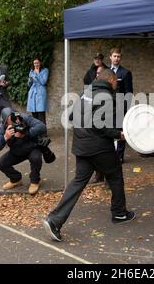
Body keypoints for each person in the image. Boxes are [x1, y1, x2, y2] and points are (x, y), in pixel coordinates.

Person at [43, 68, 135, 242]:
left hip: (81, 146)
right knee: (115, 175)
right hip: (99, 147)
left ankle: (54, 220)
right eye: (116, 82)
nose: (117, 85)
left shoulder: (85, 93)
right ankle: (119, 213)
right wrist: (119, 134)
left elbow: (70, 117)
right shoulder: (107, 97)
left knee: (78, 182)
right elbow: (99, 124)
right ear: (111, 80)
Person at [0, 108, 52, 195]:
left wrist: (25, 134)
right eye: (11, 120)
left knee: (36, 157)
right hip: (17, 151)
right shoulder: (2, 127)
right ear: (5, 121)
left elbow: (42, 126)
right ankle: (16, 179)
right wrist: (5, 138)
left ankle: (35, 181)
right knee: (0, 163)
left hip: (31, 148)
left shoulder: (24, 117)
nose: (15, 121)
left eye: (15, 117)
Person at [110, 48, 133, 163]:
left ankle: (119, 156)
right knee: (108, 131)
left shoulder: (125, 73)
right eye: (114, 56)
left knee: (120, 132)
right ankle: (110, 154)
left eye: (118, 56)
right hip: (106, 107)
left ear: (121, 58)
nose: (116, 58)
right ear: (110, 57)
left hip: (120, 108)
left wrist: (125, 110)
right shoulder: (105, 71)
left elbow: (129, 93)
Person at [27, 58, 49, 125]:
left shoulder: (45, 70)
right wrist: (30, 81)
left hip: (41, 92)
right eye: (34, 63)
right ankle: (36, 132)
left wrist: (36, 74)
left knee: (41, 113)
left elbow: (43, 82)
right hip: (32, 93)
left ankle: (43, 133)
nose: (36, 65)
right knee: (34, 114)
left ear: (40, 63)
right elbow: (29, 85)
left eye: (37, 63)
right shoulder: (31, 71)